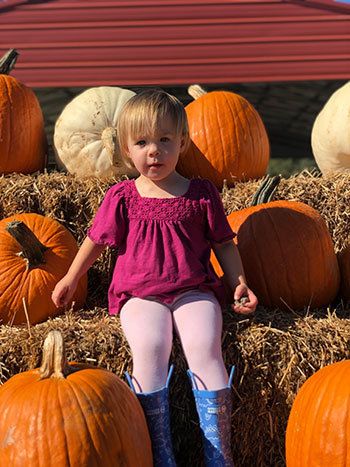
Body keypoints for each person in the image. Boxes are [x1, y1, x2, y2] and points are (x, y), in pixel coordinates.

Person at [52, 89, 258, 467]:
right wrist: (70, 277)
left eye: (164, 140)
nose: (154, 151)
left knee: (204, 346)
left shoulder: (201, 193)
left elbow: (224, 244)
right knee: (149, 347)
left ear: (183, 142)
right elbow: (95, 242)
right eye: (142, 142)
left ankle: (219, 455)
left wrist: (238, 282)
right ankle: (160, 454)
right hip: (140, 295)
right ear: (126, 150)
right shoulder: (122, 196)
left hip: (193, 290)